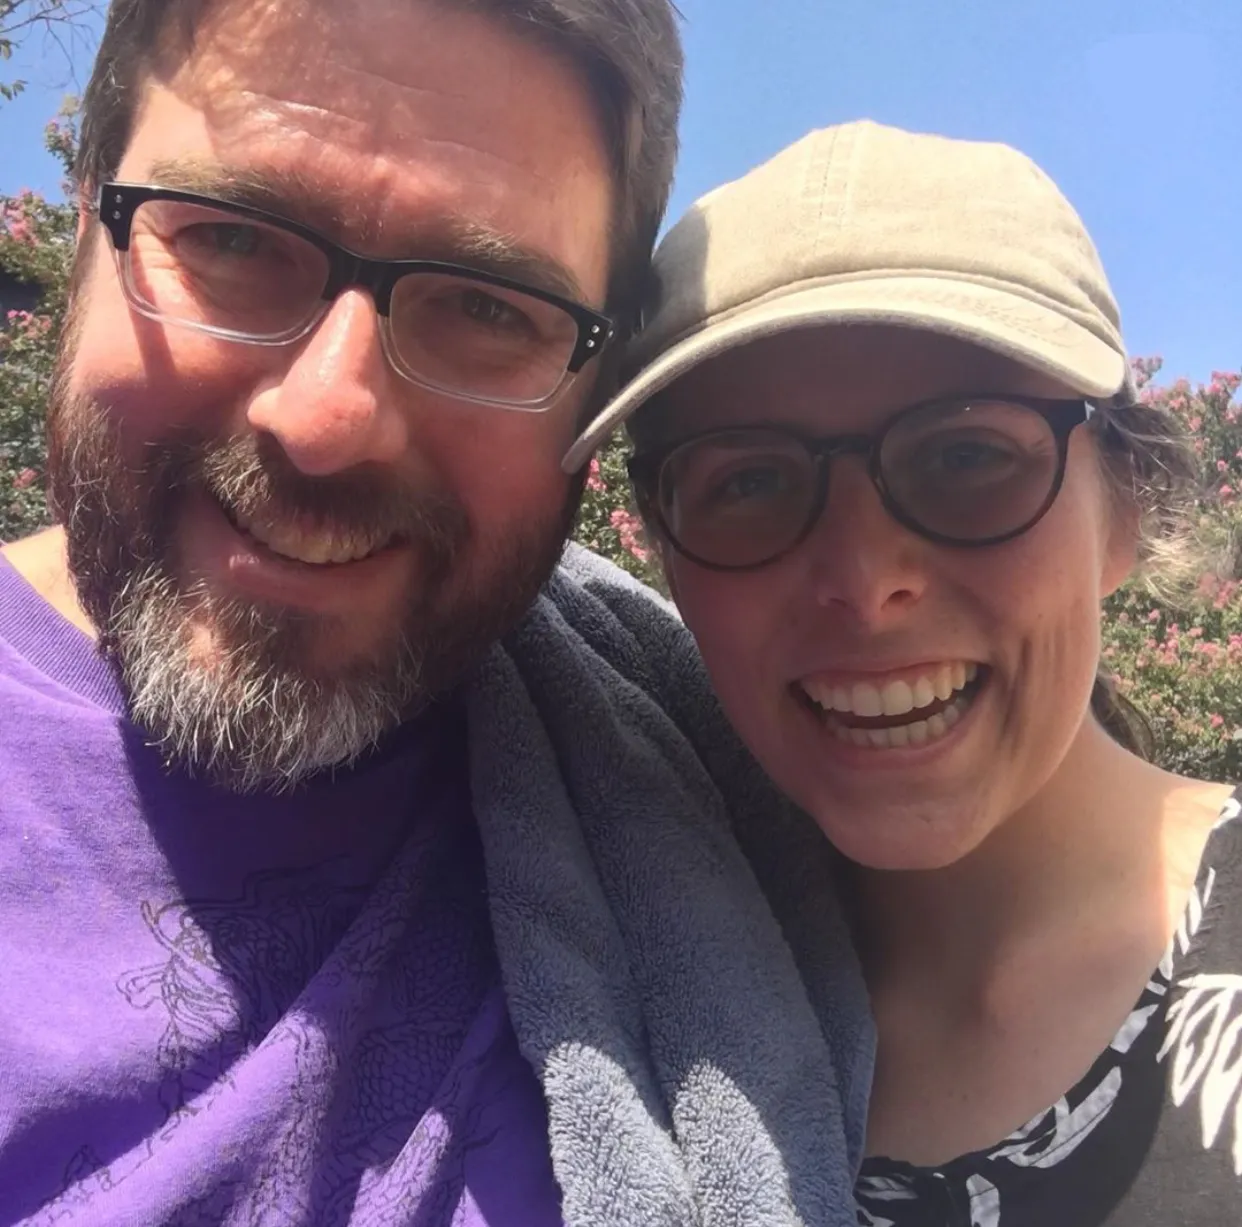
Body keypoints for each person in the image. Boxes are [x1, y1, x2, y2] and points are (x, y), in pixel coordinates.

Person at [0, 4, 874, 1224]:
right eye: (234, 240)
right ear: (88, 213)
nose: (325, 417)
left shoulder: (682, 789)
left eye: (487, 307)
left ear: (598, 391)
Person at [568, 119, 1242, 1226]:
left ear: (1123, 510)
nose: (863, 579)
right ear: (661, 549)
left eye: (967, 455)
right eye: (749, 483)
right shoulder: (641, 994)